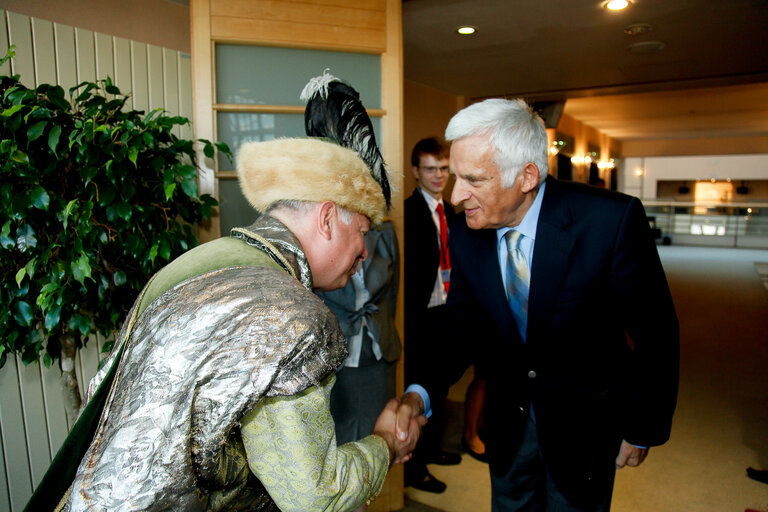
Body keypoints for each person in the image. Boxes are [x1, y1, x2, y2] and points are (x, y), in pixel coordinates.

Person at [29, 136, 425, 512]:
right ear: (326, 219)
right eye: (362, 233)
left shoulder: (202, 262)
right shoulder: (290, 313)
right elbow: (315, 495)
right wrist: (388, 442)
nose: (364, 253)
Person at [398, 98, 679, 511]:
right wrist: (418, 394)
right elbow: (460, 327)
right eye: (455, 177)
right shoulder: (466, 232)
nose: (457, 196)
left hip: (585, 426)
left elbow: (656, 332)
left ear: (527, 176)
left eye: (473, 180)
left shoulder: (609, 222)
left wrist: (642, 427)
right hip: (508, 428)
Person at [403, 137, 462, 493]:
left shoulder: (454, 212)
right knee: (417, 387)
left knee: (441, 383)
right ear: (416, 172)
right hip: (419, 316)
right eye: (430, 169)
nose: (439, 176)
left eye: (443, 169)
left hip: (449, 310)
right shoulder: (407, 213)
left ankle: (435, 449)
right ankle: (415, 468)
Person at [317, 221, 401, 447]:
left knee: (378, 438)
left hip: (377, 354)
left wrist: (381, 328)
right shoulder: (320, 231)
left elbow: (391, 295)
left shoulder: (384, 232)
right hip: (333, 353)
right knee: (336, 440)